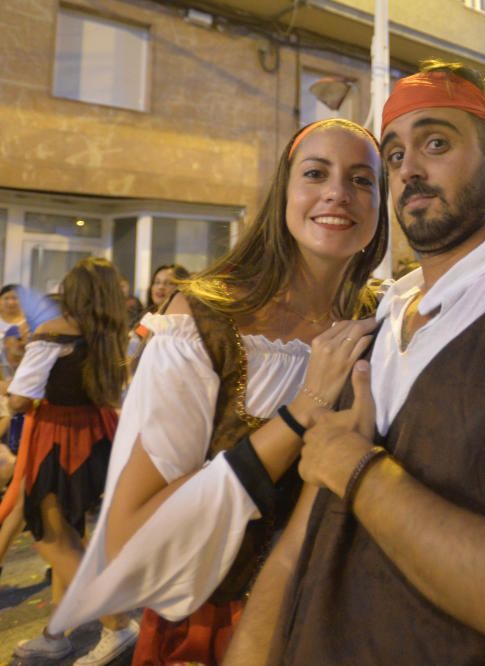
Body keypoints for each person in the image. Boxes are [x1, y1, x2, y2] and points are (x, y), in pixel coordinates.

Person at [225, 60, 485, 666]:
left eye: (436, 143)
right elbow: (300, 545)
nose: (409, 172)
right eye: (394, 156)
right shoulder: (382, 312)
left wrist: (360, 470)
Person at [46, 118, 388, 666]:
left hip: (350, 622)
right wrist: (304, 409)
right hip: (223, 629)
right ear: (284, 193)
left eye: (362, 180)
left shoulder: (388, 316)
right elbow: (129, 535)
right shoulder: (202, 319)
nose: (337, 193)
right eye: (316, 173)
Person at [6, 257, 138, 665]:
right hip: (97, 437)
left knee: (50, 538)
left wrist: (14, 373)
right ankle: (55, 634)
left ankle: (117, 624)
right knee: (69, 536)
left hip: (56, 440)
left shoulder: (51, 335)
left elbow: (21, 400)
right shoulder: (117, 337)